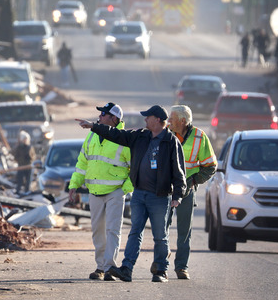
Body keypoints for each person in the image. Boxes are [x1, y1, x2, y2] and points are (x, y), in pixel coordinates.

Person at [78, 104, 186, 283]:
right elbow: (117, 134)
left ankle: (160, 271)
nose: (144, 120)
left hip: (159, 196)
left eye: (147, 117)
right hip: (140, 195)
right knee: (135, 232)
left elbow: (178, 170)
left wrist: (178, 195)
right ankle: (126, 269)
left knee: (160, 235)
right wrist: (93, 126)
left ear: (158, 120)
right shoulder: (140, 136)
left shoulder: (170, 141)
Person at [68, 102, 133, 281]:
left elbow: (134, 168)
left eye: (104, 114)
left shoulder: (124, 138)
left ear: (114, 119)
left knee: (113, 230)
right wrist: (74, 185)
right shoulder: (92, 136)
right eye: (100, 114)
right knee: (98, 230)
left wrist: (124, 190)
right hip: (95, 191)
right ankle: (100, 267)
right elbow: (82, 163)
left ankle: (109, 266)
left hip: (115, 192)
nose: (100, 116)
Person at [164, 105, 216, 280]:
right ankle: (162, 262)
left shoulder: (200, 137)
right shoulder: (165, 134)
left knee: (184, 232)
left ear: (183, 121)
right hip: (166, 189)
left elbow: (210, 166)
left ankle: (181, 267)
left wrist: (193, 181)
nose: (168, 121)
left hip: (187, 190)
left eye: (171, 118)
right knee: (161, 228)